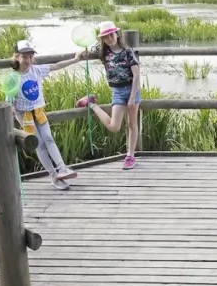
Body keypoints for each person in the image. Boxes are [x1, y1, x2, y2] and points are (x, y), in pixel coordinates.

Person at [11, 39, 86, 190]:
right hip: (24, 114)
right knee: (39, 145)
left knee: (49, 138)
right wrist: (11, 111)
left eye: (31, 56)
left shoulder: (36, 70)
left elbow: (55, 66)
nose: (28, 59)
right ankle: (53, 175)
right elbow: (9, 100)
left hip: (38, 111)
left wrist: (76, 59)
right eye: (25, 56)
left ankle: (62, 168)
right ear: (17, 57)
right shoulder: (13, 77)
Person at [76, 21, 142, 170]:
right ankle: (91, 104)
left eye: (111, 35)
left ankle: (130, 156)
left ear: (116, 34)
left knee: (132, 124)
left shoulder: (127, 51)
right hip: (117, 92)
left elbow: (137, 75)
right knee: (114, 127)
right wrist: (80, 54)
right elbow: (87, 51)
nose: (109, 38)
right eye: (105, 37)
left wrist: (132, 97)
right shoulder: (103, 52)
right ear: (103, 39)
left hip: (132, 90)